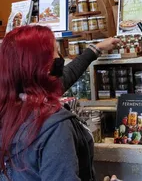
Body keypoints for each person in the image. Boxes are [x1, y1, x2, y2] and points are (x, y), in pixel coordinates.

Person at [0, 25, 119, 181]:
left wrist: (96, 49)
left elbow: (65, 77)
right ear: (43, 67)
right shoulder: (54, 126)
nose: (59, 58)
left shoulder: (10, 106)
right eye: (55, 51)